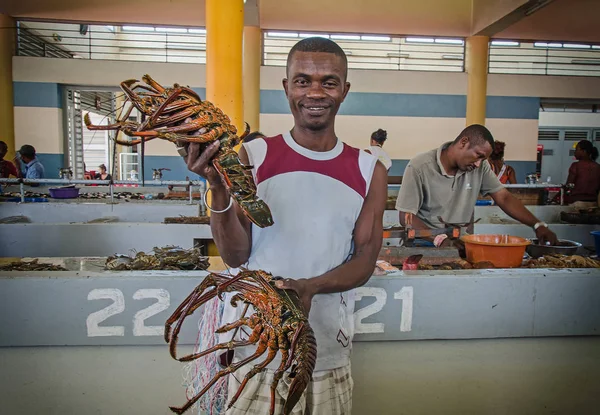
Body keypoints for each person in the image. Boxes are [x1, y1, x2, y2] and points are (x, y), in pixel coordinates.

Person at [181, 37, 386, 414]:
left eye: (329, 81)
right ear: (286, 87)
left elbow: (364, 261)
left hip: (325, 346)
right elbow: (235, 254)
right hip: (253, 345)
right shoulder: (253, 156)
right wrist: (215, 184)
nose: (315, 92)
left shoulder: (368, 170)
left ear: (345, 90)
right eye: (302, 80)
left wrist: (310, 287)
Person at [395, 124, 558, 247]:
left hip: (461, 242)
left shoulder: (480, 167)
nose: (479, 164)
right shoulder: (419, 166)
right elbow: (406, 216)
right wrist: (438, 239)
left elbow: (504, 197)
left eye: (483, 160)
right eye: (478, 156)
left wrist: (538, 225)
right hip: (423, 244)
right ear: (463, 142)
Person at [565, 140, 600, 206]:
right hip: (594, 203)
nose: (575, 152)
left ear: (584, 152)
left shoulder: (576, 165)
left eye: (577, 149)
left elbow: (569, 185)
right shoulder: (598, 167)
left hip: (577, 203)